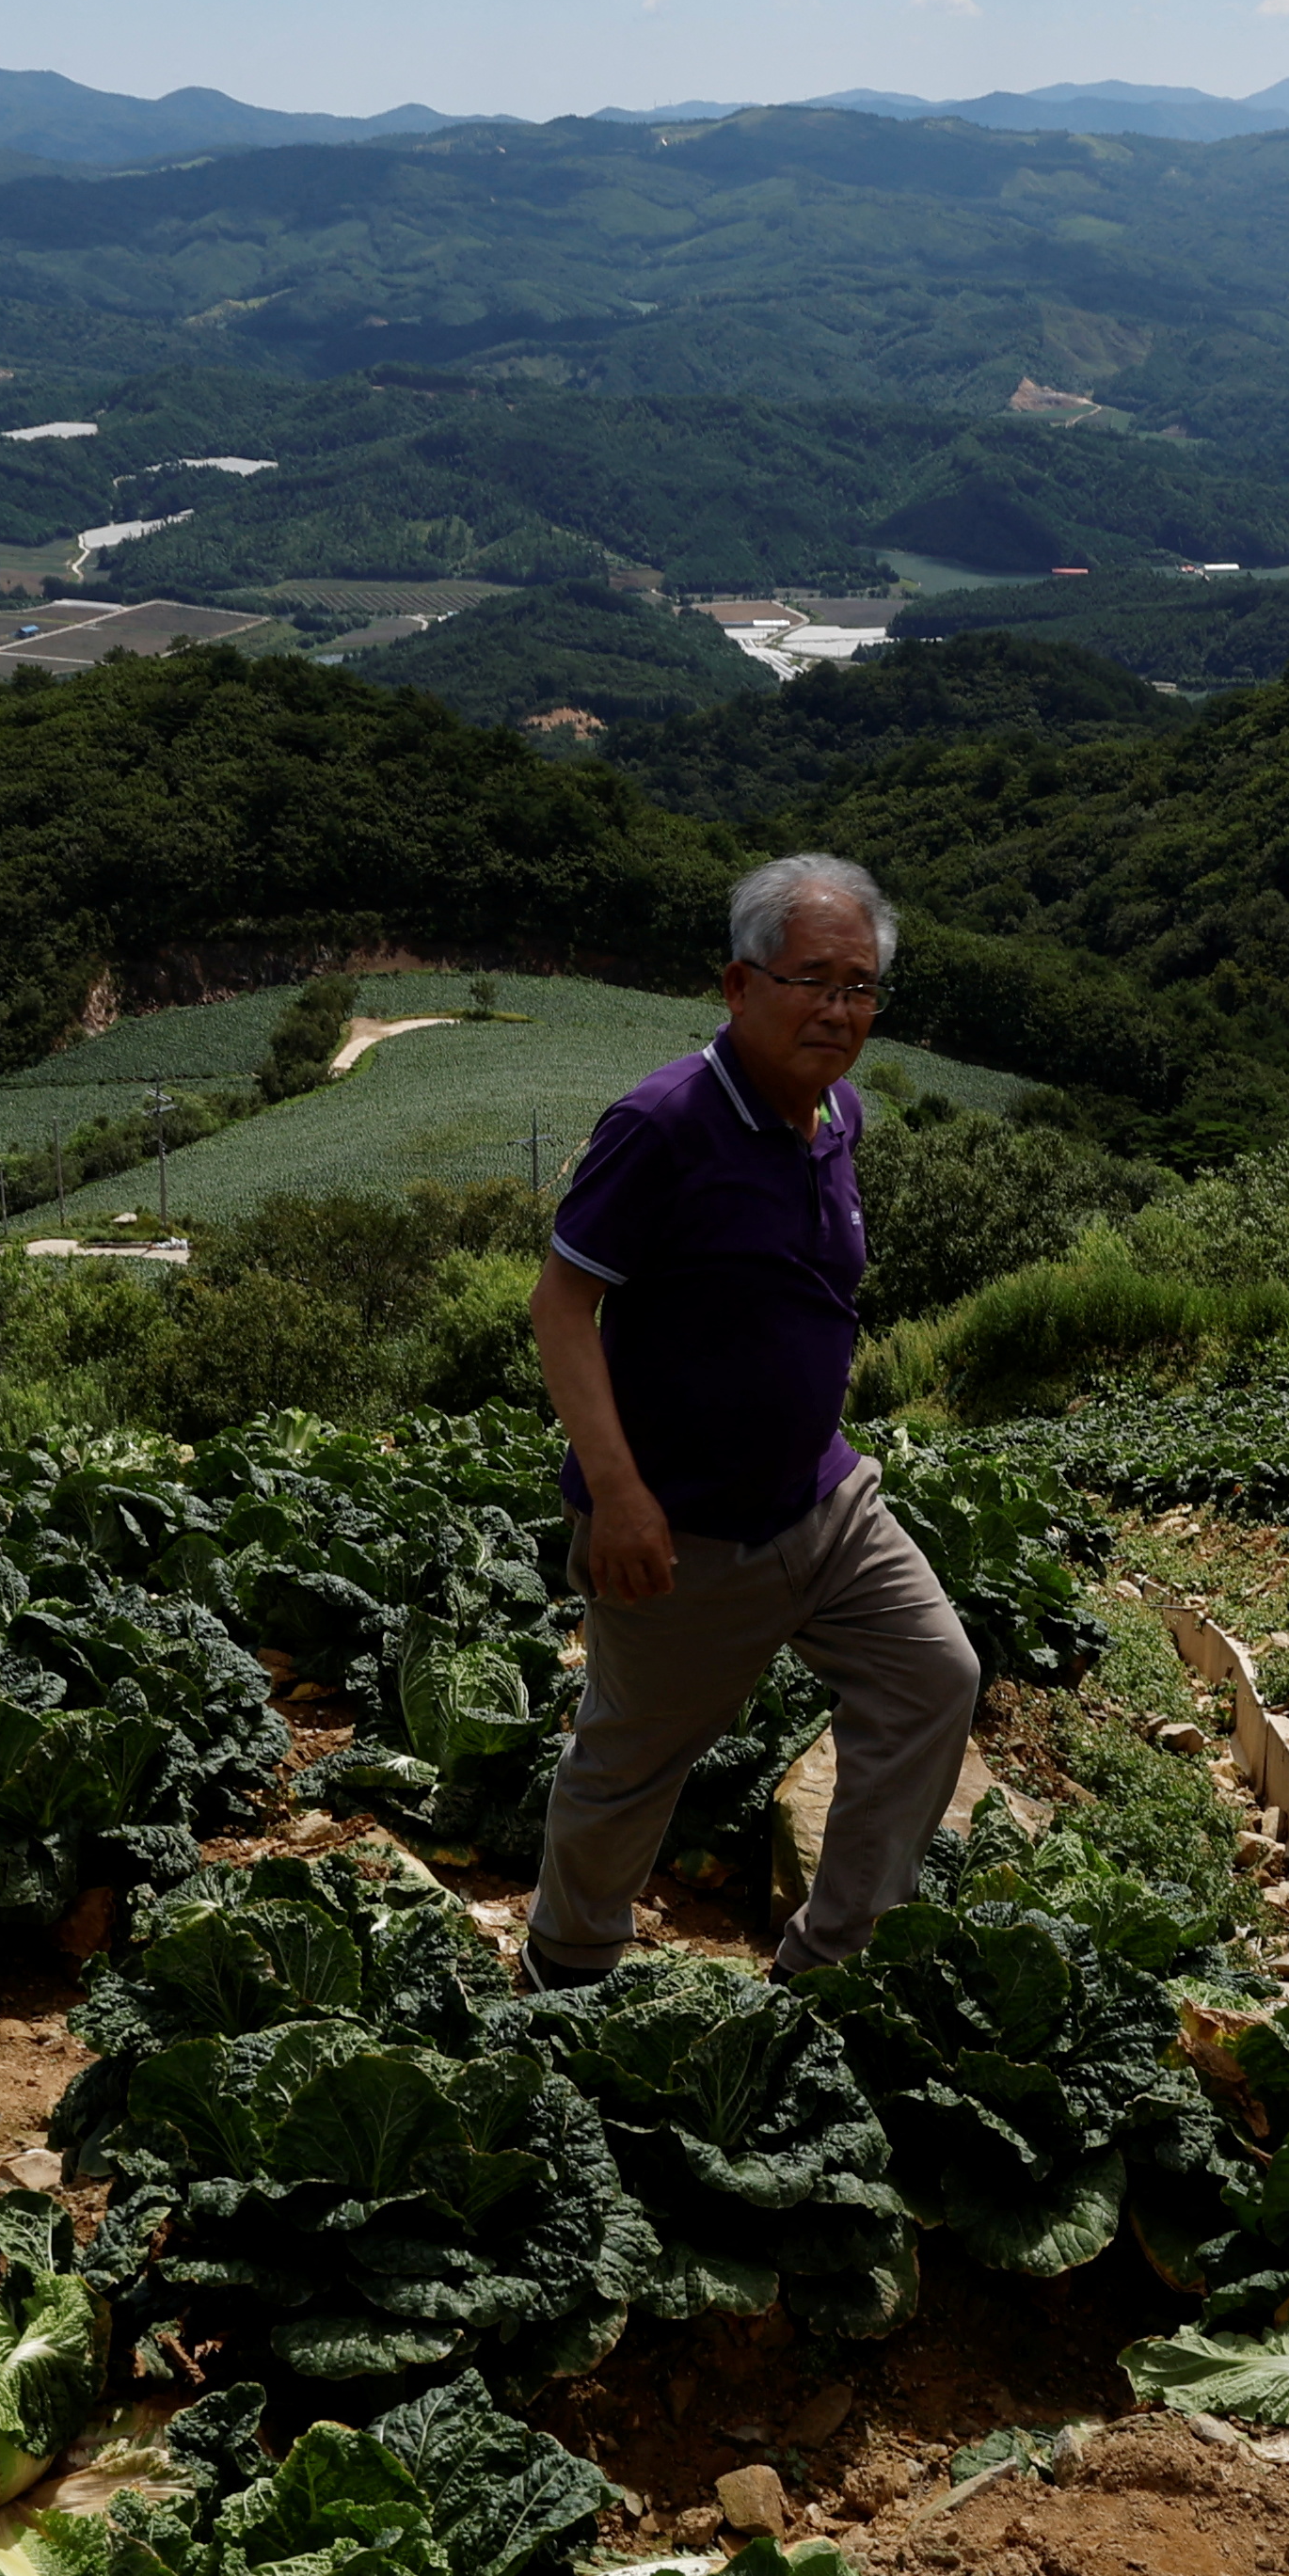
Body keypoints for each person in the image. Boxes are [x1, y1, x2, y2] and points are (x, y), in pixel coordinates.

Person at [518, 851, 984, 1988]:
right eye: (812, 979)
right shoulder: (663, 1124)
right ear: (737, 986)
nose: (839, 1008)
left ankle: (831, 1966)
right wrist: (620, 1495)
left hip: (823, 1501)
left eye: (862, 986)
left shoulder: (839, 1114)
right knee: (631, 1765)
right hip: (683, 1532)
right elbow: (562, 1306)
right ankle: (564, 1975)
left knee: (935, 1678)